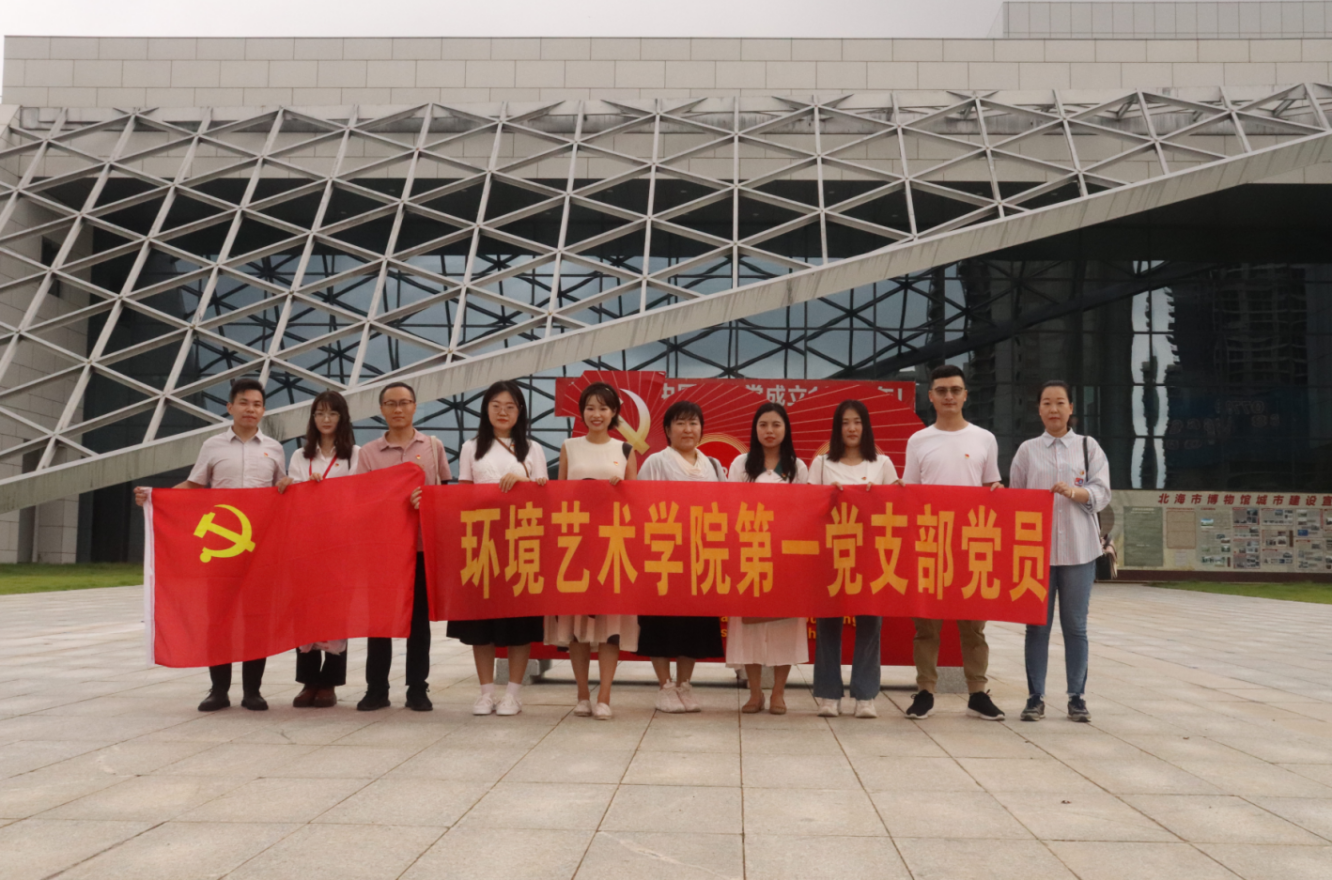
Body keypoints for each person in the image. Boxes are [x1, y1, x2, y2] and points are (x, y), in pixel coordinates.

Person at [134, 378, 287, 712]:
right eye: (244, 403)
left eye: (257, 404)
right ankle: (219, 690)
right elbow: (194, 485)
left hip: (258, 548)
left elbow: (282, 493)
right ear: (230, 407)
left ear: (263, 410)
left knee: (255, 618)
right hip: (221, 547)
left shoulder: (274, 449)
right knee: (218, 617)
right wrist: (156, 498)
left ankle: (253, 691)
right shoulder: (213, 446)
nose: (250, 409)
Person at [900, 364, 1006, 722]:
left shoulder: (984, 438)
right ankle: (925, 692)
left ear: (965, 395)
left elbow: (991, 486)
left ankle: (977, 692)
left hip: (971, 543)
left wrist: (997, 492)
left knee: (974, 626)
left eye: (955, 390)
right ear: (931, 396)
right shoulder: (918, 440)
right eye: (942, 390)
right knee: (926, 625)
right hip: (930, 542)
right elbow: (910, 493)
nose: (949, 396)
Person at [1010, 380, 1111, 723]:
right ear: (1038, 409)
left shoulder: (1088, 446)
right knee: (1037, 626)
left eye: (1060, 402)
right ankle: (1035, 697)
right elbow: (1016, 498)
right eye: (1047, 403)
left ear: (1071, 408)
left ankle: (1076, 698)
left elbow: (1102, 492)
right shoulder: (1027, 451)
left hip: (1079, 550)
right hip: (1036, 552)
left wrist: (1073, 492)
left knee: (1076, 627)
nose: (1053, 409)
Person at [447, 380, 548, 718]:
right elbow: (463, 496)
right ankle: (486, 692)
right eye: (496, 405)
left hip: (522, 542)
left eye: (510, 406)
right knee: (482, 622)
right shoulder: (471, 447)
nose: (503, 412)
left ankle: (513, 694)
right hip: (483, 543)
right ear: (486, 409)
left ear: (520, 412)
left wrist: (524, 478)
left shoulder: (532, 449)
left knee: (520, 623)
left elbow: (545, 495)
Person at [353, 381, 451, 712]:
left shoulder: (433, 446)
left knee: (418, 622)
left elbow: (445, 493)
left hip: (422, 546)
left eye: (404, 402)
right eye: (391, 403)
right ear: (381, 409)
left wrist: (430, 499)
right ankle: (376, 689)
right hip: (383, 550)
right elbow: (362, 500)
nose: (398, 409)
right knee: (379, 621)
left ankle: (417, 688)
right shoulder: (368, 453)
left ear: (414, 406)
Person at [544, 382, 640, 721]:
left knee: (610, 625)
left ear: (614, 413)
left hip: (612, 547)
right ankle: (583, 694)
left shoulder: (625, 450)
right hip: (576, 547)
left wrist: (622, 490)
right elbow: (560, 496)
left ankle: (605, 696)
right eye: (590, 408)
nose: (596, 414)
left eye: (603, 408)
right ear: (582, 412)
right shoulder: (569, 447)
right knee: (578, 627)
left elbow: (636, 503)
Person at [808, 399, 898, 719]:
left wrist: (887, 493)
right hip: (831, 555)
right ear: (837, 427)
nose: (851, 428)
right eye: (845, 422)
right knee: (828, 625)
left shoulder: (882, 463)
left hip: (870, 556)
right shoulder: (821, 464)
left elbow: (896, 509)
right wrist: (826, 496)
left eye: (857, 422)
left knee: (870, 623)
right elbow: (808, 509)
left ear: (866, 427)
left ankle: (865, 694)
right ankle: (828, 694)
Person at [637, 400, 726, 714]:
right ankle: (665, 686)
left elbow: (724, 508)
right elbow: (640, 506)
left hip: (700, 555)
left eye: (693, 423)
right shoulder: (656, 462)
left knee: (694, 623)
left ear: (701, 429)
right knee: (660, 622)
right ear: (667, 429)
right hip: (664, 554)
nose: (687, 429)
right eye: (680, 423)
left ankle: (685, 683)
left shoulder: (713, 465)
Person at [726, 402, 809, 715]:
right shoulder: (741, 464)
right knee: (749, 627)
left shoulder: (797, 467)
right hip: (750, 555)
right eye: (763, 425)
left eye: (776, 425)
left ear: (786, 429)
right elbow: (730, 506)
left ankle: (778, 693)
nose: (769, 431)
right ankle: (754, 693)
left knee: (784, 627)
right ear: (755, 429)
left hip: (785, 559)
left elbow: (804, 512)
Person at [286, 390, 360, 709]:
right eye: (320, 413)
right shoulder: (299, 457)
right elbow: (292, 498)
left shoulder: (355, 455)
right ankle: (308, 682)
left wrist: (328, 490)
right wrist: (300, 487)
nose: (326, 419)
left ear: (342, 418)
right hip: (306, 545)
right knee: (305, 611)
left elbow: (359, 495)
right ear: (313, 418)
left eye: (332, 413)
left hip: (340, 545)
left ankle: (329, 682)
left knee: (335, 613)